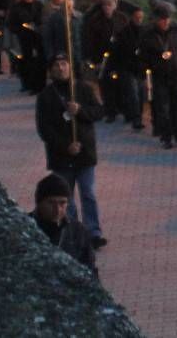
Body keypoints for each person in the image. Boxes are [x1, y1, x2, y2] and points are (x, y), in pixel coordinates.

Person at [35, 53, 107, 250]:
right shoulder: (46, 96)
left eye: (63, 64)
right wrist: (65, 146)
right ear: (51, 70)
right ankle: (72, 233)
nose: (60, 68)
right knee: (67, 199)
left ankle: (93, 232)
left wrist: (80, 111)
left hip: (85, 154)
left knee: (88, 193)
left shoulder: (82, 88)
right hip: (61, 156)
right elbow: (44, 129)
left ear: (69, 66)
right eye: (56, 65)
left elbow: (99, 112)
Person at [139, 3, 177, 149]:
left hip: (176, 74)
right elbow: (143, 57)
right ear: (156, 19)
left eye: (168, 18)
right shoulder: (148, 34)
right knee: (162, 108)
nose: (166, 22)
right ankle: (165, 137)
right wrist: (148, 72)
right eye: (162, 19)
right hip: (159, 76)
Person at [29, 173, 97, 274]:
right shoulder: (26, 227)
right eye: (51, 203)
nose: (57, 210)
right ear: (39, 203)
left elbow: (90, 268)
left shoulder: (78, 231)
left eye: (62, 203)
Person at [109, 5, 145, 129]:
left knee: (140, 94)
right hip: (127, 67)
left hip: (140, 68)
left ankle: (134, 115)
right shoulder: (124, 32)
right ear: (132, 18)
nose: (139, 20)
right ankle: (136, 118)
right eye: (137, 17)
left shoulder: (145, 31)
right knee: (133, 93)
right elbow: (118, 51)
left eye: (141, 18)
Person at [8, 0, 45, 93]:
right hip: (24, 38)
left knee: (39, 61)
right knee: (25, 62)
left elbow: (43, 19)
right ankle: (27, 84)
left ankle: (39, 84)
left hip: (38, 37)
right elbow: (11, 24)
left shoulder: (39, 5)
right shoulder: (16, 8)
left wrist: (37, 26)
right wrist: (21, 30)